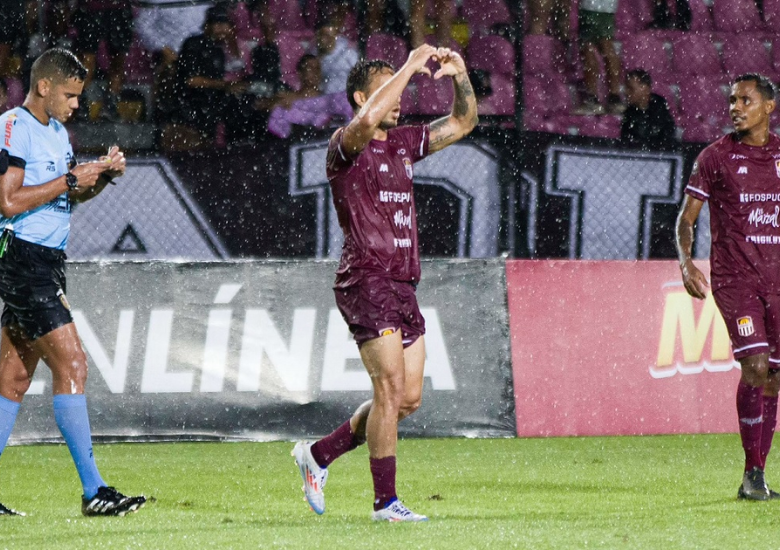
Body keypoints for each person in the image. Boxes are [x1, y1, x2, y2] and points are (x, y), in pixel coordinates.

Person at [292, 45, 478, 522]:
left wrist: (459, 78)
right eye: (387, 89)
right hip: (365, 279)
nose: (401, 98)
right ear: (359, 97)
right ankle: (384, 503)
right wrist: (411, 64)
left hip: (403, 283)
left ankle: (318, 454)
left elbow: (462, 123)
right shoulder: (344, 146)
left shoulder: (402, 143)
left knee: (405, 399)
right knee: (389, 390)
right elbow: (364, 122)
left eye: (403, 88)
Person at [0, 48, 146, 516]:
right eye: (70, 95)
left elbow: (65, 200)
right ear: (43, 87)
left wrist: (100, 177)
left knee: (14, 378)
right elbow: (7, 202)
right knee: (74, 365)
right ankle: (94, 491)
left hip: (45, 260)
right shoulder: (13, 127)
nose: (76, 105)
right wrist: (68, 179)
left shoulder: (58, 133)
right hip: (23, 259)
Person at [676, 73, 780, 501]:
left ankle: (757, 475)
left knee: (774, 375)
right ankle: (751, 471)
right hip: (735, 279)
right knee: (755, 365)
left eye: (746, 100)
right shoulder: (715, 157)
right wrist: (686, 262)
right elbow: (686, 219)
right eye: (732, 100)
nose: (735, 107)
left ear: (769, 107)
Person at [72, 0, 135, 119]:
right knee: (86, 60)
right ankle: (80, 102)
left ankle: (110, 104)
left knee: (117, 61)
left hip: (118, 10)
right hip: (91, 9)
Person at [574, 0, 623, 115]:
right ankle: (614, 98)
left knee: (588, 47)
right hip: (607, 6)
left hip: (592, 6)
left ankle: (593, 100)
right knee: (606, 45)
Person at [620, 69, 676, 150]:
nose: (626, 92)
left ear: (645, 88)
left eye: (630, 88)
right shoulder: (629, 114)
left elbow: (664, 139)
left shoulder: (660, 110)